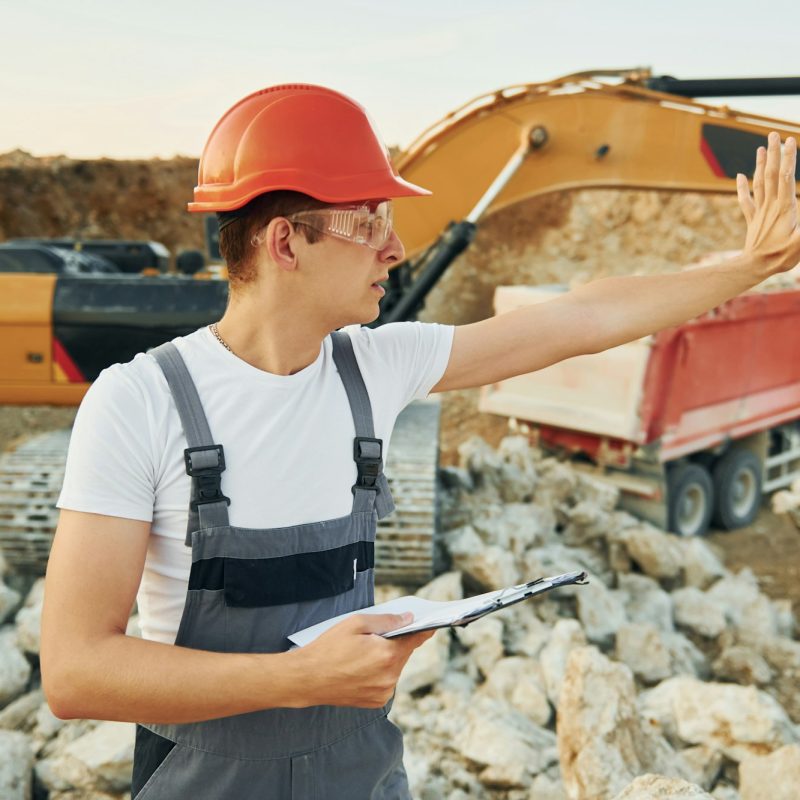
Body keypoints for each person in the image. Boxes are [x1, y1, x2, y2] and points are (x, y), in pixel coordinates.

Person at [40, 84, 799, 800]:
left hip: (360, 773)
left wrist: (747, 265)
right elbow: (77, 672)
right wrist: (302, 680)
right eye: (368, 222)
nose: (394, 247)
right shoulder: (140, 403)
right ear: (285, 243)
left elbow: (581, 319)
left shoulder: (376, 368)